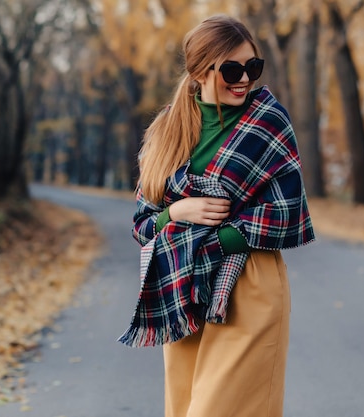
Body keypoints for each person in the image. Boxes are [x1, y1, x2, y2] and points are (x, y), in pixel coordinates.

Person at [118, 15, 316, 417]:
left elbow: (287, 212)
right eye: (232, 69)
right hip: (183, 287)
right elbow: (143, 224)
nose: (244, 78)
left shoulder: (267, 121)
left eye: (252, 67)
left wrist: (211, 242)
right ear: (199, 72)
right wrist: (178, 210)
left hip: (250, 284)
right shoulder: (166, 131)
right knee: (185, 408)